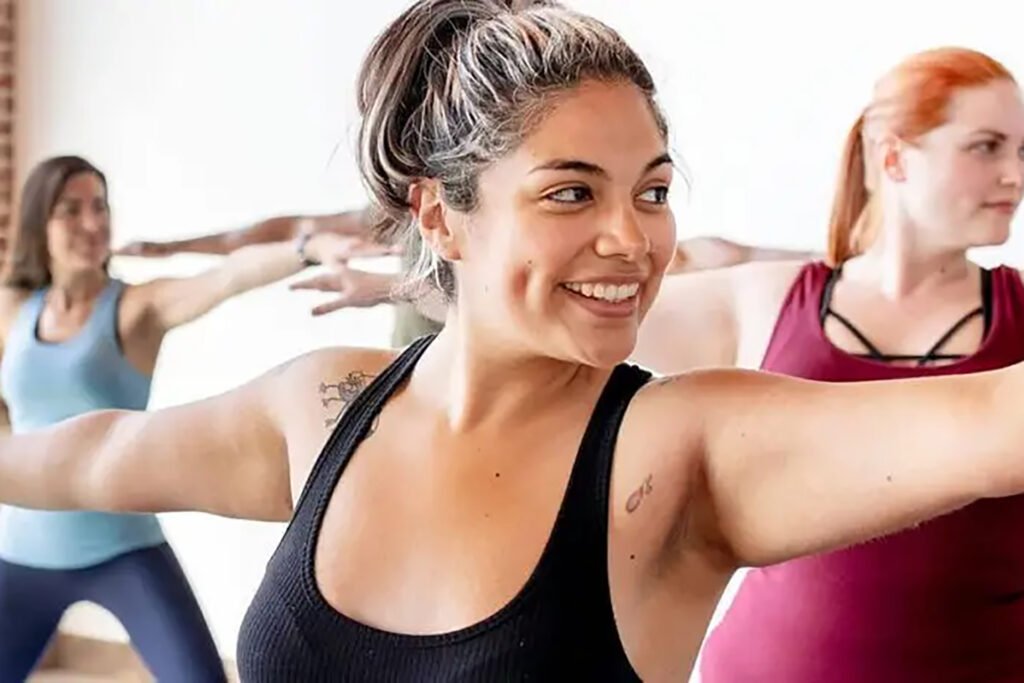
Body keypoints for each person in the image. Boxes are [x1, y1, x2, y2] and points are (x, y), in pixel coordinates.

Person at [1, 5, 1023, 681]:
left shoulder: (679, 448)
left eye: (653, 190)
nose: (634, 237)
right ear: (441, 215)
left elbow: (991, 417)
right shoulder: (320, 409)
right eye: (571, 191)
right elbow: (86, 453)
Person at [633, 47, 1024, 680]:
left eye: (1022, 153)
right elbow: (540, 314)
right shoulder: (764, 298)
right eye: (986, 147)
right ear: (893, 156)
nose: (1015, 175)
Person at [0, 155, 347, 682]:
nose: (92, 223)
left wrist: (306, 249)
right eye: (71, 210)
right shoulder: (13, 311)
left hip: (124, 549)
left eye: (100, 206)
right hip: (22, 552)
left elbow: (228, 277)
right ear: (39, 224)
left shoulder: (135, 309)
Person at [117, 210, 813, 344]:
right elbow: (263, 231)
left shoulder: (547, 222)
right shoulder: (401, 213)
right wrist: (174, 244)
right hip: (419, 397)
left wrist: (846, 264)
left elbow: (719, 252)